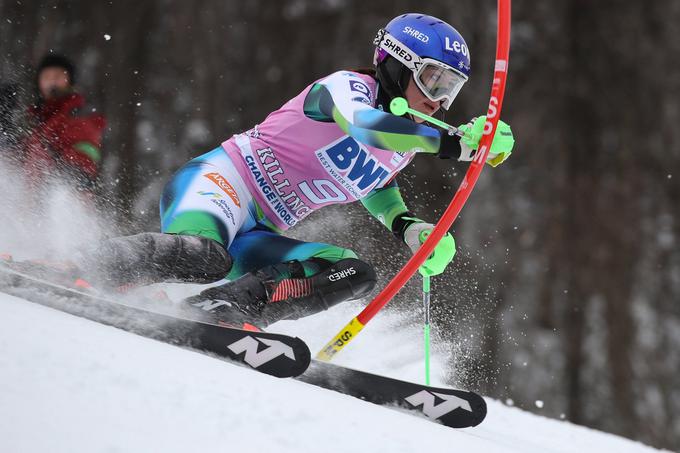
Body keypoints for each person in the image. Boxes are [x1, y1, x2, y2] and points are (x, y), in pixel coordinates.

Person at [77, 13, 515, 327]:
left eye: (451, 89)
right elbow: (365, 128)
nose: (439, 101)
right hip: (221, 183)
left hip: (259, 231)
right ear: (397, 65)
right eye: (434, 81)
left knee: (352, 272)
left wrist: (408, 227)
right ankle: (84, 263)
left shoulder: (406, 138)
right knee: (208, 255)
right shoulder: (345, 88)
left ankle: (224, 310)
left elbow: (377, 181)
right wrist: (454, 144)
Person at [23, 54, 106, 196]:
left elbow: (86, 150)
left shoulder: (78, 115)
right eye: (47, 77)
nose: (52, 82)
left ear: (70, 81)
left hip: (64, 201)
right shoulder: (34, 118)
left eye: (58, 76)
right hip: (30, 201)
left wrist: (72, 168)